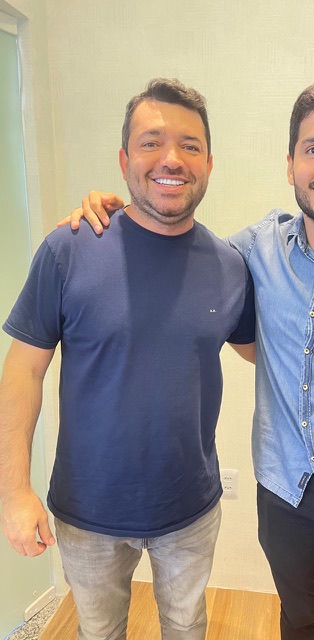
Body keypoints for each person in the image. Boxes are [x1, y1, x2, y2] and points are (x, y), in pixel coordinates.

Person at [61, 80, 314, 639]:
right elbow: (178, 247)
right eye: (313, 148)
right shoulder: (255, 250)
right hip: (286, 492)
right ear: (290, 166)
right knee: (299, 623)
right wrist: (113, 215)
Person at [0, 78, 255, 640]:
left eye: (190, 145)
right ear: (124, 160)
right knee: (99, 631)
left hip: (189, 506)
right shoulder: (69, 249)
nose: (172, 159)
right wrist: (13, 492)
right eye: (151, 142)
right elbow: (23, 370)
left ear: (209, 163)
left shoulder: (230, 266)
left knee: (186, 625)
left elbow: (266, 352)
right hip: (87, 511)